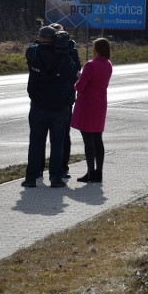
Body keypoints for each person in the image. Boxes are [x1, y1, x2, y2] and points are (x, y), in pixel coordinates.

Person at [21, 26, 78, 188]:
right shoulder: (64, 55)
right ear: (55, 39)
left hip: (38, 105)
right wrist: (66, 48)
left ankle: (31, 177)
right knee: (58, 143)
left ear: (39, 37)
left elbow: (31, 49)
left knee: (35, 142)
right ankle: (56, 177)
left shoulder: (33, 52)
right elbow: (73, 71)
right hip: (59, 106)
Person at [71, 38, 113, 183]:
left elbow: (80, 86)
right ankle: (99, 172)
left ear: (97, 49)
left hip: (87, 104)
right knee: (97, 138)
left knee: (88, 140)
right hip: (100, 103)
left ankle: (90, 172)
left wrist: (78, 77)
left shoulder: (90, 65)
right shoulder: (108, 64)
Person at [49, 23, 81, 178]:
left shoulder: (71, 51)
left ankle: (63, 167)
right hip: (47, 100)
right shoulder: (44, 51)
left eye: (60, 35)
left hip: (65, 99)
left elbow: (75, 71)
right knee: (43, 136)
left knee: (64, 135)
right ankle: (44, 166)